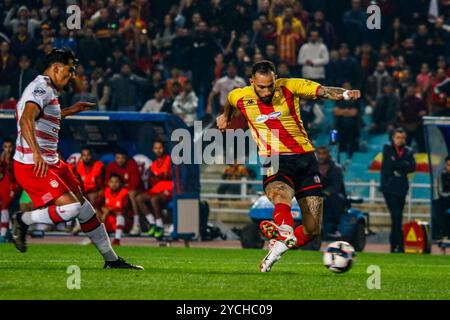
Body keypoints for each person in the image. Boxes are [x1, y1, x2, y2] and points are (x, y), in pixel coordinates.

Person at [216, 60, 360, 272]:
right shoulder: (239, 95)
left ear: (276, 79)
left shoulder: (290, 86)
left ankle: (278, 247)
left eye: (270, 85)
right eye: (261, 87)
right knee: (279, 193)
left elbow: (323, 91)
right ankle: (284, 229)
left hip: (305, 159)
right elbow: (229, 102)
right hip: (274, 158)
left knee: (312, 229)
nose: (266, 91)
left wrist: (346, 94)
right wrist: (226, 116)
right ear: (251, 82)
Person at [11, 48, 142, 269]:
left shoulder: (48, 89)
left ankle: (111, 260)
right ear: (55, 67)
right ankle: (22, 220)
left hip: (52, 161)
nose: (72, 75)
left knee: (85, 209)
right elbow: (26, 119)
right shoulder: (40, 88)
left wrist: (70, 111)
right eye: (70, 70)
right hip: (33, 164)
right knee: (71, 209)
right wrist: (35, 152)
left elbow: (44, 116)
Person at [380, 128, 416, 253]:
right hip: (389, 188)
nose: (400, 140)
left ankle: (396, 246)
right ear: (393, 138)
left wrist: (398, 164)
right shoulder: (387, 148)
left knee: (397, 217)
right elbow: (389, 165)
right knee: (396, 216)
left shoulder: (409, 150)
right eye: (398, 137)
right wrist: (403, 165)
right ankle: (398, 245)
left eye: (402, 138)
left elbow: (412, 167)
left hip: (401, 188)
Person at [136, 140, 173, 239]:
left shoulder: (170, 160)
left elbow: (171, 176)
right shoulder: (154, 164)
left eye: (160, 148)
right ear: (153, 150)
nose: (158, 150)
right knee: (140, 198)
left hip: (169, 189)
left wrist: (162, 177)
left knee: (154, 199)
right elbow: (153, 181)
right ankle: (152, 223)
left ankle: (160, 226)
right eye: (156, 148)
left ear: (164, 148)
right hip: (157, 189)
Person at [104, 148, 143, 235]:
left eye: (122, 158)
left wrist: (121, 188)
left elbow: (135, 184)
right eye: (118, 158)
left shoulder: (132, 165)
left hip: (131, 191)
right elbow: (106, 182)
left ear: (126, 158)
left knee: (131, 194)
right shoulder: (111, 166)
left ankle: (136, 224)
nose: (120, 160)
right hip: (117, 192)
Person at [316, 146, 346, 238]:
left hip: (333, 195)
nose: (321, 156)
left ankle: (334, 227)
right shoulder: (312, 167)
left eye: (323, 153)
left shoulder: (336, 168)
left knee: (332, 199)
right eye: (319, 154)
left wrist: (325, 192)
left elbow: (336, 186)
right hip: (316, 193)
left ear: (328, 155)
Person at [96, 174, 131, 246]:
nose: (114, 184)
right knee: (95, 212)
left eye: (116, 182)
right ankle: (96, 237)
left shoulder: (124, 193)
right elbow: (97, 205)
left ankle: (117, 239)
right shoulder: (106, 191)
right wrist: (103, 209)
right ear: (108, 183)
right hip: (107, 220)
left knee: (120, 215)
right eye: (111, 182)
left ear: (120, 183)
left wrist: (111, 210)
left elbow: (126, 210)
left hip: (121, 223)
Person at [0, 138, 17, 242]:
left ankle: (4, 234)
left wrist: (14, 188)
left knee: (7, 209)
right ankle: (8, 233)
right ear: (3, 147)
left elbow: (15, 176)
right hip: (2, 187)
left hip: (11, 189)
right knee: (4, 210)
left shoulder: (15, 160)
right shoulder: (1, 160)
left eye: (10, 147)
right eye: (6, 147)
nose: (8, 149)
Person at [435, 156, 450, 239]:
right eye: (448, 165)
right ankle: (442, 233)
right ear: (445, 165)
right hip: (445, 201)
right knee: (439, 206)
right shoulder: (441, 175)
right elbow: (440, 192)